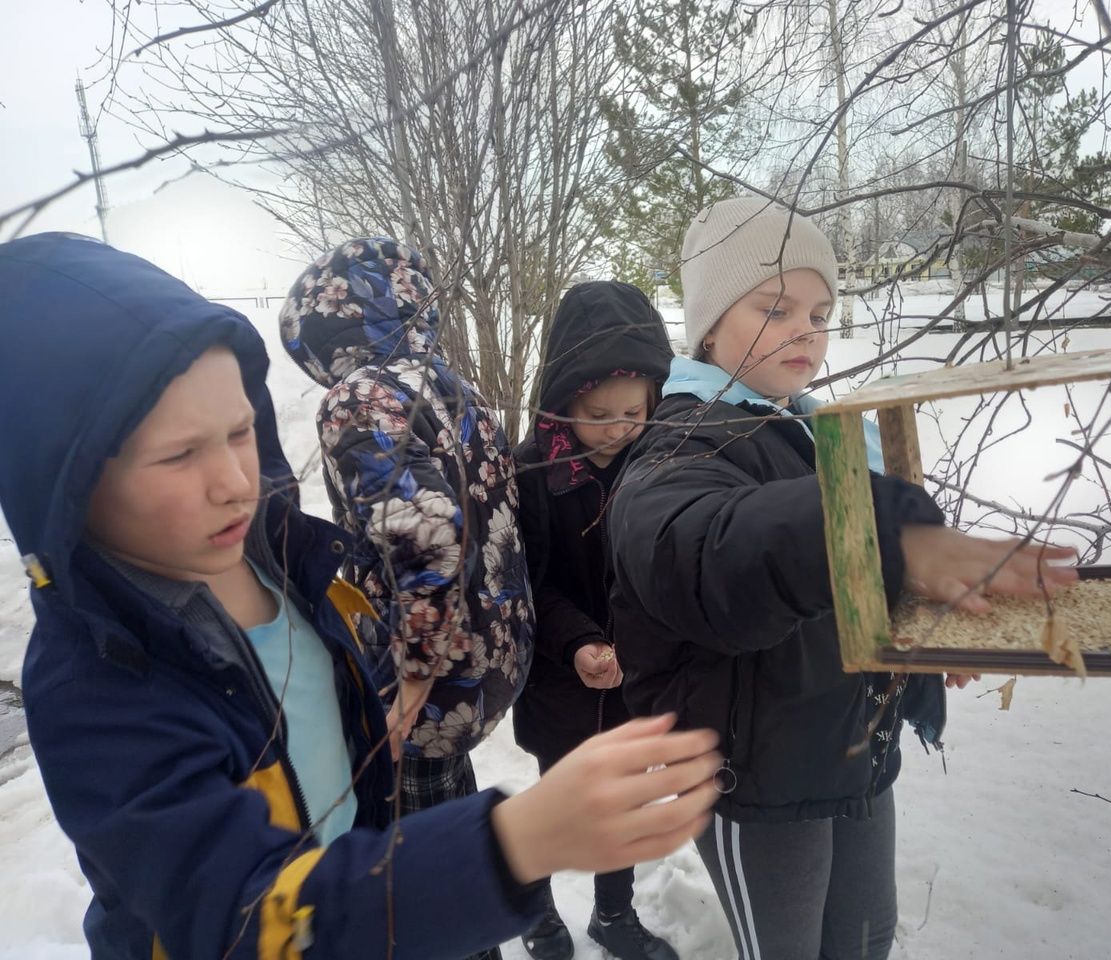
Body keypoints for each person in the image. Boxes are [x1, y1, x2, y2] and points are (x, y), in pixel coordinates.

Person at [0, 232, 722, 960]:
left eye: (242, 430)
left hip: (438, 686)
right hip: (486, 667)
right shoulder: (102, 688)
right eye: (180, 453)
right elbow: (237, 914)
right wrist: (507, 847)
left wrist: (415, 669)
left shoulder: (295, 567)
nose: (234, 482)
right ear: (65, 475)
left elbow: (427, 533)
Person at [606, 198, 1078, 960]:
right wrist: (877, 532)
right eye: (776, 306)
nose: (807, 329)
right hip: (754, 780)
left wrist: (928, 630)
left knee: (864, 938)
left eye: (821, 312)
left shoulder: (821, 429)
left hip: (855, 744)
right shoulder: (681, 441)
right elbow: (706, 554)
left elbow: (853, 590)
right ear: (710, 323)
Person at [278, 238, 530, 848]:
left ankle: (485, 924)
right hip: (495, 650)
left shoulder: (360, 397)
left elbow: (429, 534)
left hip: (434, 671)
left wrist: (415, 673)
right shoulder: (451, 385)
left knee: (422, 855)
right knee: (450, 803)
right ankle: (523, 910)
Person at [512, 282, 676, 960]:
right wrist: (578, 641)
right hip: (561, 679)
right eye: (598, 413)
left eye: (633, 412)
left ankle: (614, 915)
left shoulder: (662, 463)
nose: (617, 428)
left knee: (625, 804)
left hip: (636, 677)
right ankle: (537, 913)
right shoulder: (534, 474)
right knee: (560, 800)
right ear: (563, 404)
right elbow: (531, 584)